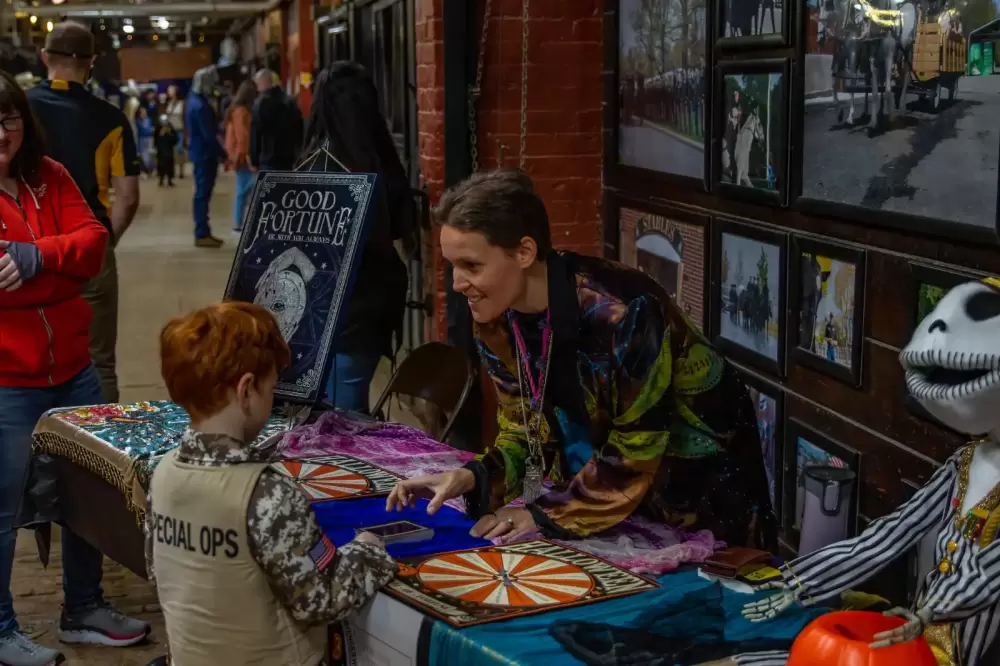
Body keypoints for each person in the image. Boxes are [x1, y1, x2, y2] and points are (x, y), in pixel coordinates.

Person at [387, 170, 776, 548]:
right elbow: (526, 430)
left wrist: (544, 516)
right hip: (611, 505)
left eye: (471, 266)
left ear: (524, 252)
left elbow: (637, 446)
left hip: (705, 503)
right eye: (452, 265)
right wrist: (470, 478)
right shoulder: (495, 321)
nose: (456, 284)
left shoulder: (624, 312)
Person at [149, 302, 396, 665]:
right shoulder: (266, 492)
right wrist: (369, 551)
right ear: (247, 389)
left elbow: (162, 572)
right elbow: (321, 600)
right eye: (272, 387)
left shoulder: (163, 472)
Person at [0, 69, 150, 666]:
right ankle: (1, 628)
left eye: (8, 118)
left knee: (88, 496)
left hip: (73, 370)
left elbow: (93, 244)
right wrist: (59, 281)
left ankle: (83, 608)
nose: (1, 132)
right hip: (8, 381)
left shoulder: (50, 176)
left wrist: (36, 260)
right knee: (2, 508)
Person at [28, 20, 142, 404]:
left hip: (24, 247)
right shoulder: (111, 119)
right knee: (98, 362)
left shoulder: (17, 113)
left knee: (23, 359)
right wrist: (105, 241)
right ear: (91, 62)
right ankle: (97, 455)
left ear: (44, 57)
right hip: (87, 247)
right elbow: (128, 196)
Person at [298, 62, 413, 412]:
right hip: (371, 306)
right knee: (349, 406)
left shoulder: (314, 163)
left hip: (325, 310)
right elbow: (399, 226)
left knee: (336, 423)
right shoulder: (382, 159)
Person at [185, 66, 225, 248]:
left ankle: (203, 230)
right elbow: (209, 135)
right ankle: (202, 232)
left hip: (200, 152)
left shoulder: (193, 101)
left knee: (202, 192)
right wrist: (222, 153)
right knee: (203, 193)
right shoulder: (200, 105)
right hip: (205, 154)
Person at [250, 69, 303, 172]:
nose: (257, 88)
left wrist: (254, 159)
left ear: (262, 83)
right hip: (288, 156)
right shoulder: (289, 102)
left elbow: (256, 133)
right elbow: (299, 128)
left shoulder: (260, 104)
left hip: (268, 156)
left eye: (257, 84)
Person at [224, 80, 256, 233]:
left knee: (242, 190)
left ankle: (239, 222)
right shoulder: (242, 111)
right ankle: (239, 223)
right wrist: (246, 155)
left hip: (238, 155)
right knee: (244, 190)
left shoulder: (234, 110)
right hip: (242, 157)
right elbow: (243, 136)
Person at [165, 85, 185, 179]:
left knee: (180, 150)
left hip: (180, 128)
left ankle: (181, 171)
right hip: (171, 130)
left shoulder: (182, 103)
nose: (169, 92)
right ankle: (171, 171)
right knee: (171, 151)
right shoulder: (168, 103)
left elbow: (184, 117)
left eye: (171, 90)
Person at [155, 114, 177, 187]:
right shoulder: (158, 127)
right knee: (161, 165)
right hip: (161, 151)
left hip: (169, 150)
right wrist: (161, 134)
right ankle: (161, 179)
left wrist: (169, 134)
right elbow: (155, 139)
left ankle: (170, 180)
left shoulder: (170, 127)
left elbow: (175, 139)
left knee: (169, 165)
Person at [135, 106, 154, 175]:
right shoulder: (138, 121)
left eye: (145, 112)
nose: (144, 113)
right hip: (141, 140)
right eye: (142, 112)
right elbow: (144, 131)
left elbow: (149, 131)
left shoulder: (149, 120)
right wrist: (149, 131)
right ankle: (143, 169)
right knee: (141, 155)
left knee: (148, 155)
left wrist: (149, 132)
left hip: (148, 139)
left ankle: (150, 169)